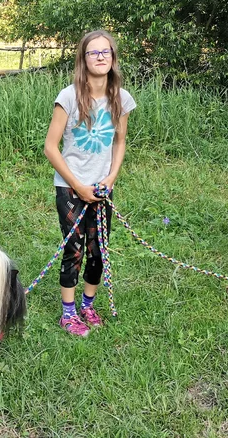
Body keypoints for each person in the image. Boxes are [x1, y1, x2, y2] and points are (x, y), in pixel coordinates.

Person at [43, 30, 136, 337]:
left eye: (105, 52)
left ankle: (88, 305)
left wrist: (111, 177)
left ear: (113, 57)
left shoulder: (120, 99)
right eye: (93, 52)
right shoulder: (68, 97)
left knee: (98, 250)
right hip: (70, 188)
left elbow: (120, 142)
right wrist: (77, 186)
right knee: (74, 249)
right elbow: (51, 147)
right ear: (83, 59)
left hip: (101, 188)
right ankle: (68, 313)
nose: (100, 57)